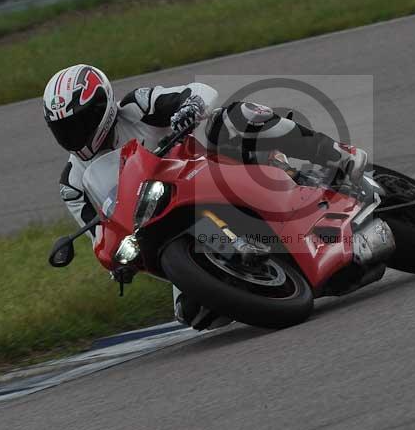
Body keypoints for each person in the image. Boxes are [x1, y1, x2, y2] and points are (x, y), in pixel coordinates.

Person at [43, 64, 367, 329]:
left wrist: (189, 108)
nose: (74, 133)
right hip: (160, 224)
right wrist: (116, 263)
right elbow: (99, 232)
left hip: (209, 171)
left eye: (81, 121)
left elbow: (200, 92)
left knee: (232, 118)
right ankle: (263, 272)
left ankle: (335, 156)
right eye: (64, 128)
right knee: (193, 314)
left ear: (103, 106)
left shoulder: (137, 106)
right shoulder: (72, 183)